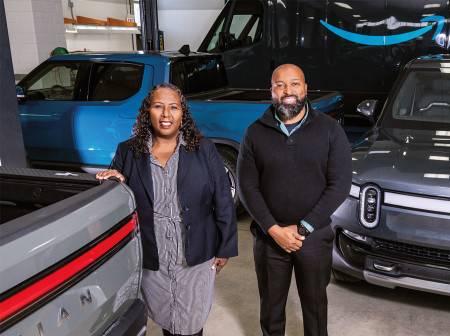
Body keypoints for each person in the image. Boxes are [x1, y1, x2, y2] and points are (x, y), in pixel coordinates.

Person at [96, 83, 238, 336]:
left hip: (196, 251)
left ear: (182, 113)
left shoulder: (203, 148)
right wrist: (112, 182)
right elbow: (118, 200)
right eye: (158, 106)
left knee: (191, 323)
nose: (165, 114)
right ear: (147, 112)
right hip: (153, 253)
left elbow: (223, 200)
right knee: (167, 320)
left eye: (173, 107)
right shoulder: (128, 152)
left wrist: (225, 246)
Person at [236, 64, 352, 336]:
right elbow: (247, 186)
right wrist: (273, 230)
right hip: (269, 239)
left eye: (295, 84)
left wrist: (302, 229)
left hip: (312, 238)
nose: (288, 91)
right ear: (272, 91)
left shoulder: (330, 130)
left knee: (315, 308)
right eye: (280, 85)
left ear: (305, 88)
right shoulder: (255, 132)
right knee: (271, 309)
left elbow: (339, 185)